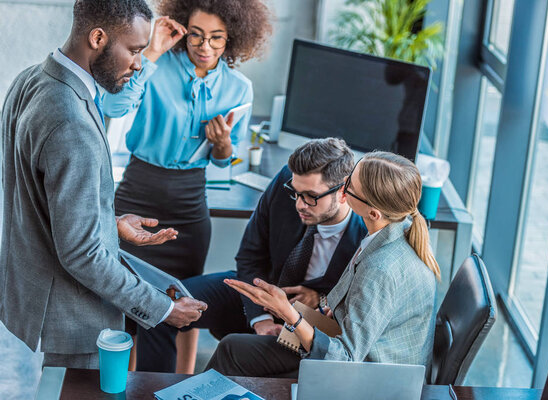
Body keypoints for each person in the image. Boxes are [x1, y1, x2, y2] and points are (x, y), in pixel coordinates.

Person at [0, 0, 206, 369]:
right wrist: (162, 309)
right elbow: (81, 253)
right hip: (67, 323)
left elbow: (34, 202)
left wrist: (106, 224)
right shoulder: (70, 120)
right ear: (98, 37)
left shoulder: (30, 79)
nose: (140, 63)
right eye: (135, 50)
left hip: (26, 308)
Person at [102, 0, 271, 373]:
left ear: (233, 39)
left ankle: (180, 383)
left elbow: (224, 160)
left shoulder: (238, 87)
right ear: (182, 30)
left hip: (189, 205)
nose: (204, 46)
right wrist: (151, 54)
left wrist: (223, 145)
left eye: (216, 38)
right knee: (125, 301)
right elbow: (113, 108)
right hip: (137, 192)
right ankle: (130, 385)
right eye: (195, 35)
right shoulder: (156, 67)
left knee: (182, 300)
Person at [135, 138, 369, 372]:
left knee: (240, 356)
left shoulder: (366, 234)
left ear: (343, 192)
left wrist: (321, 299)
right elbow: (250, 257)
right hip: (256, 294)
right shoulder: (286, 182)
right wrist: (261, 319)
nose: (299, 205)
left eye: (310, 196)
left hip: (307, 324)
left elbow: (357, 315)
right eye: (295, 193)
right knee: (160, 309)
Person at [209, 152, 441, 377]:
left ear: (373, 212)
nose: (342, 187)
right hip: (362, 349)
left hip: (370, 376)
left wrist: (289, 313)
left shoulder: (380, 269)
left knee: (232, 349)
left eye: (349, 187)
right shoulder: (400, 230)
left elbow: (344, 360)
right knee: (236, 345)